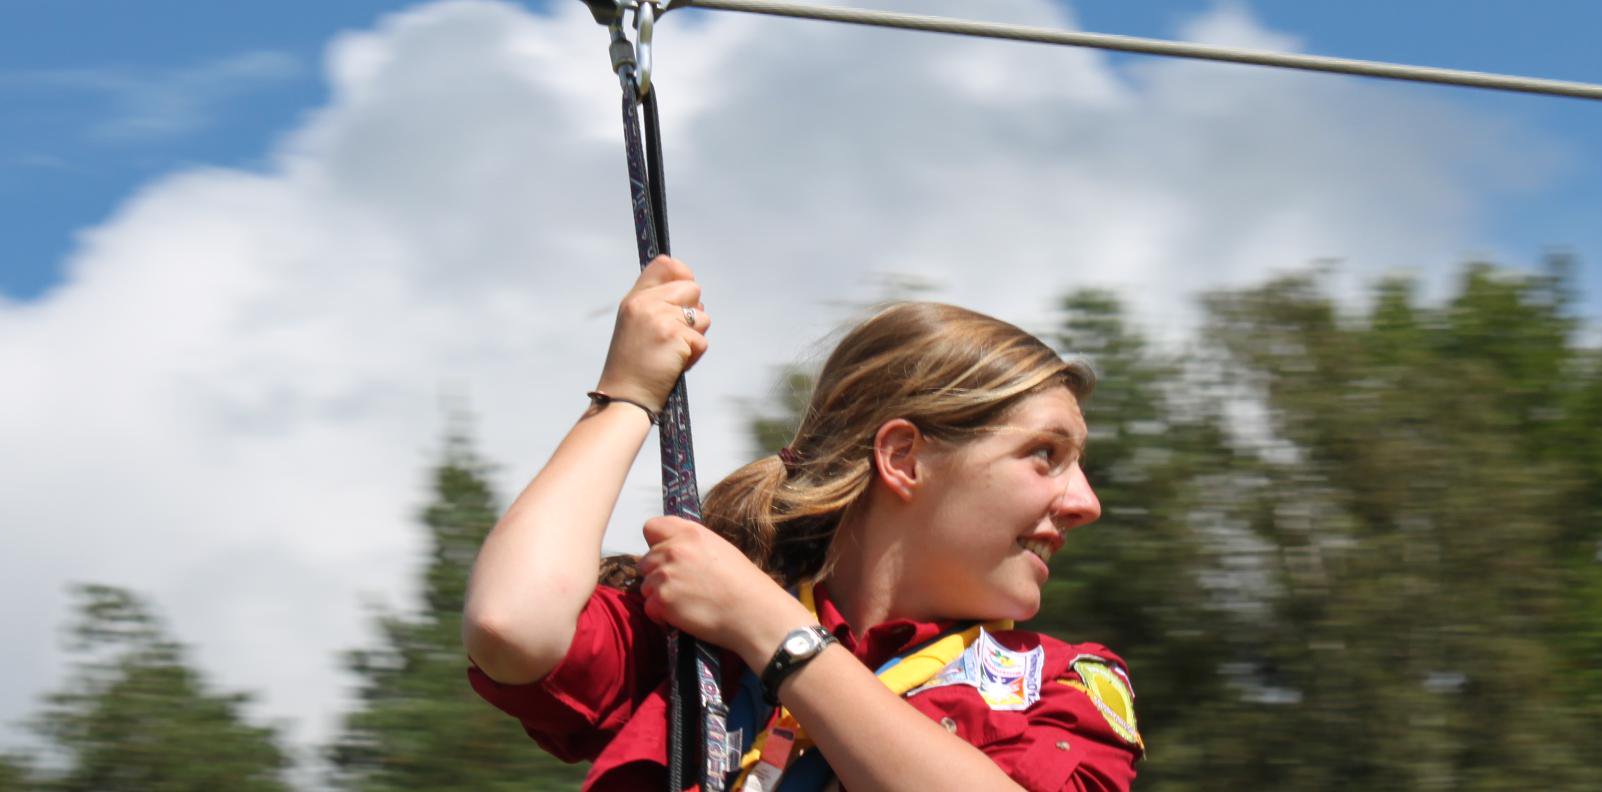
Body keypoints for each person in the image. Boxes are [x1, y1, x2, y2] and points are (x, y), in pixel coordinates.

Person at [463, 256, 1143, 791]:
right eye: (1044, 457)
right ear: (903, 458)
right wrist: (628, 396)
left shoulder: (1062, 687)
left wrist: (777, 636)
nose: (1085, 502)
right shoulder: (701, 637)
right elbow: (510, 624)